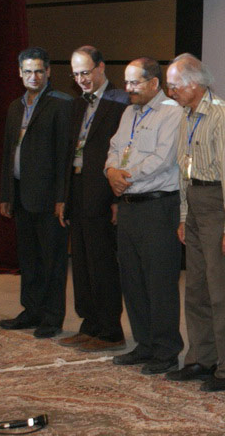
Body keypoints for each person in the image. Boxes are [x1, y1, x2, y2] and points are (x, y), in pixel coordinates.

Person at [164, 54, 225, 392]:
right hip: (195, 202)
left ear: (194, 84)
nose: (170, 92)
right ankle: (201, 358)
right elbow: (183, 169)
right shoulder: (187, 115)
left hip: (217, 203)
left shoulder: (224, 115)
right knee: (196, 289)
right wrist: (184, 215)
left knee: (221, 292)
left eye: (174, 86)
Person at [106, 58, 183, 375]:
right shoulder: (129, 113)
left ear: (154, 83)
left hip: (157, 206)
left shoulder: (173, 112)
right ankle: (144, 344)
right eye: (126, 82)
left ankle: (166, 351)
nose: (128, 88)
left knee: (159, 281)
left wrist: (125, 176)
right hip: (128, 206)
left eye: (135, 82)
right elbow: (114, 147)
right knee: (133, 279)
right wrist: (111, 171)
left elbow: (163, 158)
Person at [58, 46, 128, 352]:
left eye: (85, 72)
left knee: (102, 263)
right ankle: (90, 325)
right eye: (75, 74)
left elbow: (124, 151)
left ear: (101, 67)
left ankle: (110, 330)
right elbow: (69, 152)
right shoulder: (77, 104)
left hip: (102, 190)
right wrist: (63, 196)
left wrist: (116, 198)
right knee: (82, 264)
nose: (81, 80)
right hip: (78, 188)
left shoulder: (120, 101)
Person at [0, 47, 72, 339]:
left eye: (39, 71)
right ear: (20, 73)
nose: (33, 76)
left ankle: (52, 317)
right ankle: (31, 310)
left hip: (49, 198)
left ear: (48, 72)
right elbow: (8, 152)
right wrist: (6, 193)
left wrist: (62, 198)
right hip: (21, 194)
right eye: (28, 71)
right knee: (28, 259)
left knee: (52, 260)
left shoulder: (61, 104)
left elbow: (65, 156)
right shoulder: (14, 107)